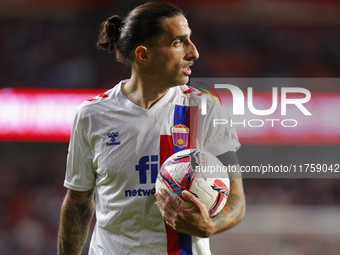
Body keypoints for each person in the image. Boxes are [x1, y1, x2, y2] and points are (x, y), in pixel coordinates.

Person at [57, 2, 245, 255]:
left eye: (190, 40)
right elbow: (78, 202)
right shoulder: (92, 116)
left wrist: (212, 224)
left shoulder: (206, 108)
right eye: (179, 43)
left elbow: (236, 199)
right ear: (143, 54)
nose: (194, 52)